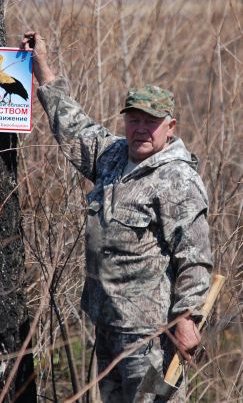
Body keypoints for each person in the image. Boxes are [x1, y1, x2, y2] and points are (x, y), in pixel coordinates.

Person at [20, 31, 213, 402]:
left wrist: (188, 318)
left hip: (152, 338)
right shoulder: (112, 156)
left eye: (151, 122)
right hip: (108, 327)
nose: (140, 129)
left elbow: (194, 258)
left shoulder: (178, 180)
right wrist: (42, 68)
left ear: (170, 127)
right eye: (134, 120)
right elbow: (73, 125)